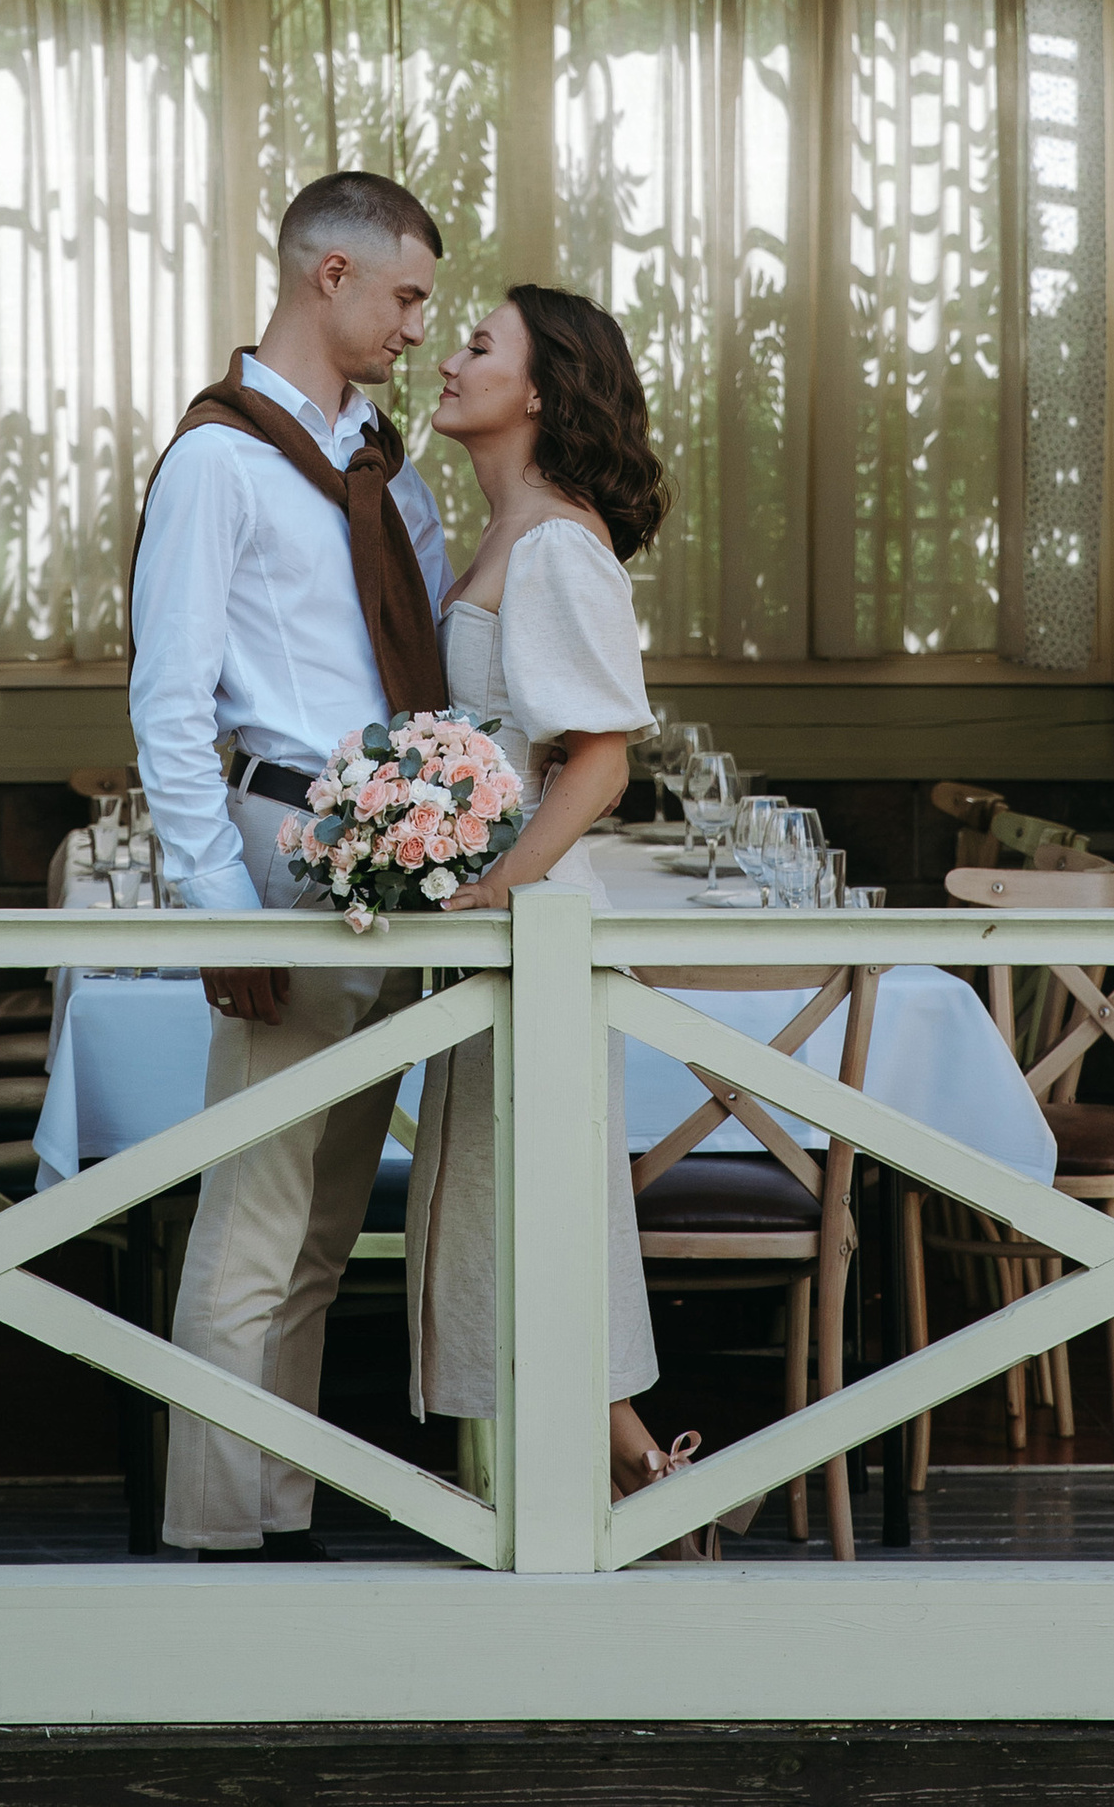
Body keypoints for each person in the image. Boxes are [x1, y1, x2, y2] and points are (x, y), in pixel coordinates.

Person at [128, 168, 451, 1558]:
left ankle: (280, 1508)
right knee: (255, 1214)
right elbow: (170, 705)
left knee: (323, 1228)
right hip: (284, 849)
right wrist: (220, 913)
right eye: (407, 294)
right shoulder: (219, 461)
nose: (420, 325)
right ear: (331, 275)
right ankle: (210, 1540)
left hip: (392, 864)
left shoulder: (380, 467)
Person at [405, 283, 695, 1512]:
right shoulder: (495, 534)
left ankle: (600, 1490)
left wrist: (495, 898)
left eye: (477, 346)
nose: (449, 361)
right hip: (506, 923)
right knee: (510, 1204)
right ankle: (619, 1467)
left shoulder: (558, 547)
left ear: (538, 389)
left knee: (536, 1201)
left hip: (538, 930)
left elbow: (599, 757)